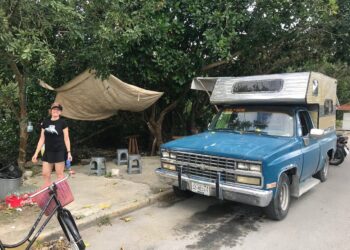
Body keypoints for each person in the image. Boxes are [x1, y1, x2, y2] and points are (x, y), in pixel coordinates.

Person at [32, 102, 72, 186]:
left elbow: (66, 138)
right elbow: (42, 139)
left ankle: (61, 195)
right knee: (45, 174)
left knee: (59, 175)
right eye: (54, 109)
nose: (55, 111)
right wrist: (36, 153)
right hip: (47, 151)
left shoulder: (63, 122)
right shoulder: (45, 122)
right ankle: (49, 193)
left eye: (58, 110)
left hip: (59, 151)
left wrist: (69, 152)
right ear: (51, 111)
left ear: (60, 112)